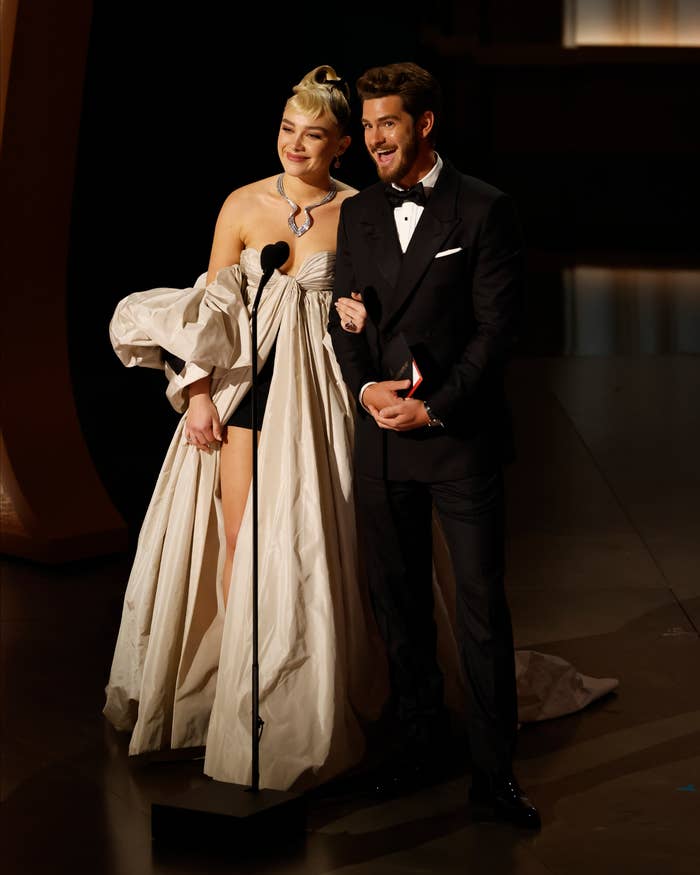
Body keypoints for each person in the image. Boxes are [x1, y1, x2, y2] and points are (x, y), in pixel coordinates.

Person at [103, 65, 389, 792]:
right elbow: (205, 311)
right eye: (288, 129)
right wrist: (196, 394)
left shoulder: (360, 209)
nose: (296, 144)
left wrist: (363, 318)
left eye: (314, 134)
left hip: (321, 394)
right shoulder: (242, 203)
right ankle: (240, 691)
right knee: (239, 539)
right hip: (247, 391)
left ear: (342, 144)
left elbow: (373, 304)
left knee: (319, 537)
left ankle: (313, 689)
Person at [328, 61, 542, 828]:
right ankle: (419, 750)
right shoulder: (356, 215)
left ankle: (494, 774)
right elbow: (342, 315)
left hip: (458, 440)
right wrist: (364, 389)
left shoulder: (484, 209)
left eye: (387, 122)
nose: (374, 138)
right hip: (382, 440)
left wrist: (437, 409)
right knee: (400, 605)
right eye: (368, 122)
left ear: (423, 124)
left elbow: (497, 332)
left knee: (481, 609)